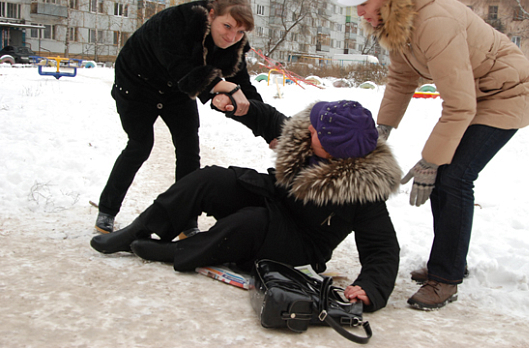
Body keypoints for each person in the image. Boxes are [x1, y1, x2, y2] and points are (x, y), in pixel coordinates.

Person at [337, 0, 529, 310]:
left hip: (505, 94)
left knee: (453, 176)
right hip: (476, 95)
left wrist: (430, 161)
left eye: (363, 3)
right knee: (449, 175)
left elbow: (459, 106)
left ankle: (445, 277)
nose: (359, 12)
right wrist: (380, 130)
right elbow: (402, 80)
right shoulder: (399, 21)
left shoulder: (434, 21)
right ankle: (449, 261)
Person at [91, 100, 402, 312]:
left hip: (301, 242)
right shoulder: (310, 135)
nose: (310, 128)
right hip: (276, 199)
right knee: (211, 178)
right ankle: (141, 228)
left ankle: (180, 252)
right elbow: (272, 121)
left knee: (250, 223)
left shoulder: (364, 190)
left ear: (338, 152)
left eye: (318, 131)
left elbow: (382, 246)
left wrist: (371, 287)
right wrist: (242, 105)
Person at [95, 0, 263, 234]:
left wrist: (269, 126)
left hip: (176, 91)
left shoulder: (233, 43)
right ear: (212, 14)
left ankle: (186, 221)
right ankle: (107, 211)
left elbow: (244, 87)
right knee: (140, 145)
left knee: (188, 151)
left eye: (240, 32)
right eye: (227, 26)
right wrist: (225, 87)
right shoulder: (178, 22)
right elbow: (184, 70)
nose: (231, 37)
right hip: (137, 84)